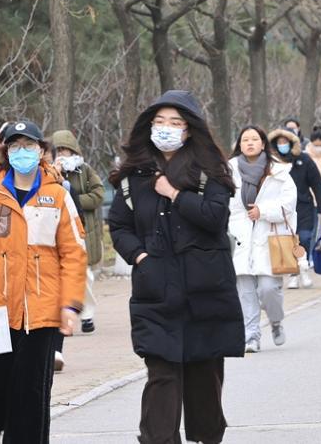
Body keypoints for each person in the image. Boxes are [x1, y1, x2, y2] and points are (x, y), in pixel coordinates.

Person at [107, 90, 244, 444]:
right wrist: (139, 257)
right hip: (156, 291)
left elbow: (215, 218)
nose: (166, 129)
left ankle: (207, 436)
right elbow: (119, 226)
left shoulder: (210, 170)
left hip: (205, 290)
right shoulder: (132, 176)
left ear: (188, 129)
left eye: (175, 123)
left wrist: (175, 194)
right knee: (161, 374)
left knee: (204, 378)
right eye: (159, 122)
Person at [0, 120, 88, 442]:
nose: (21, 152)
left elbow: (74, 254)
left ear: (42, 151)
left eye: (28, 146)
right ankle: (6, 422)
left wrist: (70, 304)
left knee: (31, 392)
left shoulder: (57, 196)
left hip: (42, 312)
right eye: (14, 146)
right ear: (6, 152)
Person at [228, 126, 298, 353]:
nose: (249, 143)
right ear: (239, 144)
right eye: (245, 139)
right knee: (246, 292)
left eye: (254, 139)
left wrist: (263, 211)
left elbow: (289, 204)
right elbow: (225, 204)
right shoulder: (229, 171)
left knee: (268, 289)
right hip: (240, 237)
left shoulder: (278, 171)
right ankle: (252, 336)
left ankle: (276, 321)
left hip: (269, 237)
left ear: (262, 144)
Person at [50, 130, 105, 372]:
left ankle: (88, 315)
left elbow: (98, 195)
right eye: (59, 151)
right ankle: (73, 315)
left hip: (87, 230)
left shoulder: (86, 171)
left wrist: (73, 199)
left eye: (66, 150)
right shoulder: (52, 172)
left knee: (86, 278)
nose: (63, 155)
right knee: (72, 279)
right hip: (61, 232)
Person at [268, 127, 321, 289]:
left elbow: (316, 183)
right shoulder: (271, 163)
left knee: (305, 238)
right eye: (279, 142)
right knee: (289, 242)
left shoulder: (304, 160)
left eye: (285, 142)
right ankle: (294, 273)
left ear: (291, 142)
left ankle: (304, 267)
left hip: (304, 207)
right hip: (282, 210)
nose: (282, 145)